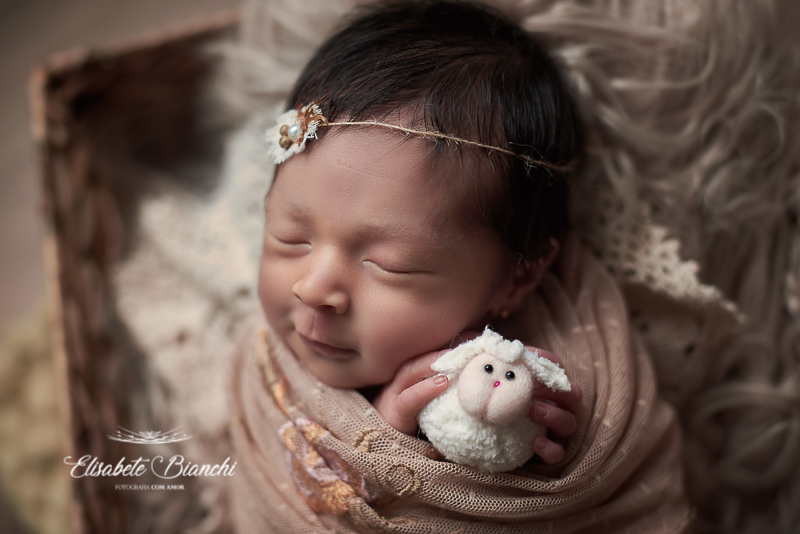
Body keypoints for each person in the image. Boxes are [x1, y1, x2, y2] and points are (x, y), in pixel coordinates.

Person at [228, 1, 690, 532]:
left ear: (518, 277)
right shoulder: (265, 364)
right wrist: (381, 436)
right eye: (289, 238)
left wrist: (519, 448)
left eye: (390, 266)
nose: (313, 289)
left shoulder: (549, 363)